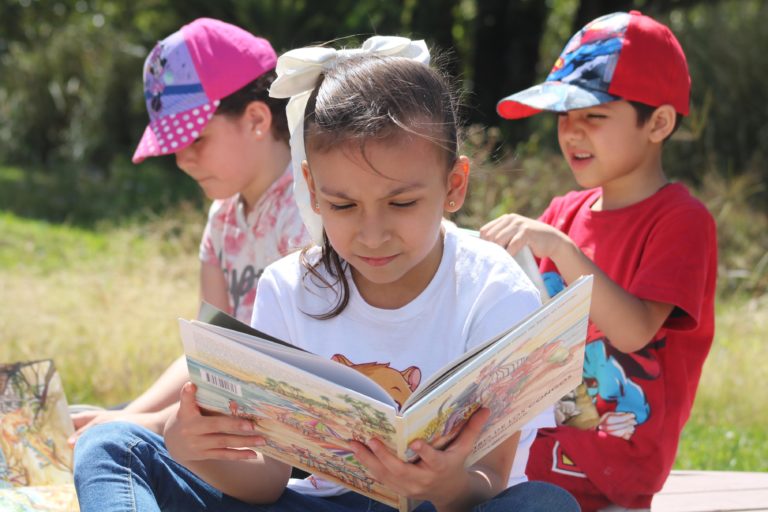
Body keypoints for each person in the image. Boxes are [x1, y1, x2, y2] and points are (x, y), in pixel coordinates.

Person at [73, 36, 579, 512]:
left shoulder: (496, 290)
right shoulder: (287, 287)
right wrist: (197, 450)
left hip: (447, 505)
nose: (372, 233)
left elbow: (493, 477)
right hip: (323, 502)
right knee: (110, 445)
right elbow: (268, 479)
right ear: (312, 190)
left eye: (401, 202)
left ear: (454, 186)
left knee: (547, 504)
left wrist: (445, 484)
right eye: (343, 205)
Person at [481, 11, 717, 512]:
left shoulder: (681, 220)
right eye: (564, 117)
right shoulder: (563, 211)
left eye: (593, 116)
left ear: (658, 122)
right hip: (537, 445)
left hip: (610, 469)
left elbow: (634, 332)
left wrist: (563, 250)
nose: (572, 133)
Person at [69, 18, 310, 444]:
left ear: (256, 119)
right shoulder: (222, 220)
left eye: (195, 139)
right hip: (221, 410)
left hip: (282, 433)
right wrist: (124, 415)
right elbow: (207, 351)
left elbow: (292, 380)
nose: (182, 160)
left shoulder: (312, 212)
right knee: (87, 425)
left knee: (112, 443)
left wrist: (144, 424)